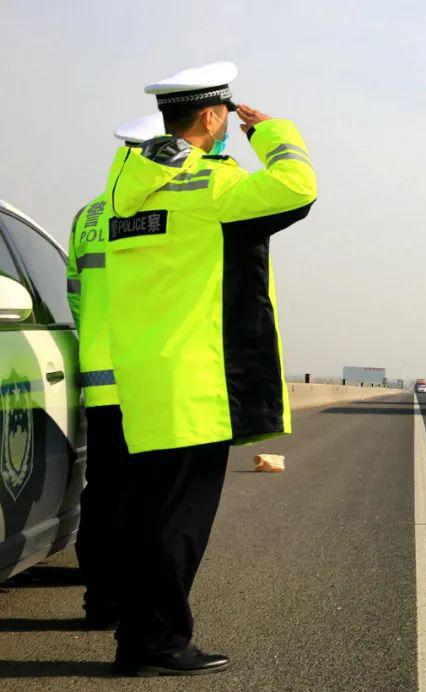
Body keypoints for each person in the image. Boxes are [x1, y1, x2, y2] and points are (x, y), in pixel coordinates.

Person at [104, 61, 317, 676]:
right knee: (179, 527)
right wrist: (276, 134)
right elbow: (298, 188)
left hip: (147, 378)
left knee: (151, 518)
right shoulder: (208, 191)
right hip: (197, 382)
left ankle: (139, 639)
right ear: (211, 116)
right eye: (225, 117)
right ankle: (159, 645)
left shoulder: (126, 186)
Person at [66, 113, 164, 630]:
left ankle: (99, 604)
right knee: (150, 504)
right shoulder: (165, 211)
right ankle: (138, 609)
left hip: (101, 385)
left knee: (101, 497)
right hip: (150, 384)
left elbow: (76, 297)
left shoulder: (86, 215)